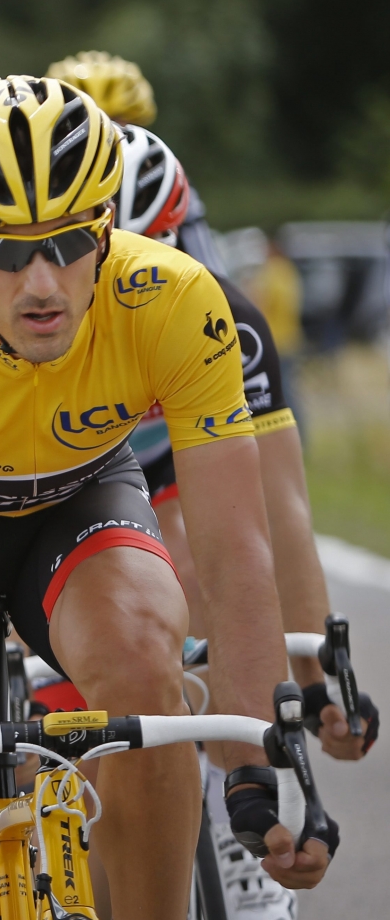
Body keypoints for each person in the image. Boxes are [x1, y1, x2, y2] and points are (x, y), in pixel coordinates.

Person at [0, 76, 335, 915]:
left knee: (139, 659)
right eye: (5, 253)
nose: (44, 283)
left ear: (108, 229)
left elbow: (236, 556)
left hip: (75, 509)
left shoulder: (174, 302)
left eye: (71, 243)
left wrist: (257, 774)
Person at [102, 117, 375, 918]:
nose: (144, 278)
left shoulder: (226, 320)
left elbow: (277, 518)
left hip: (174, 460)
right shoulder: (29, 315)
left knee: (203, 563)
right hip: (67, 472)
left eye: (165, 247)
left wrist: (317, 672)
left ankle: (227, 806)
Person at [47, 50, 227, 271]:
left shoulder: (166, 177)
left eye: (118, 122)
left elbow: (208, 268)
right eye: (83, 124)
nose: (107, 133)